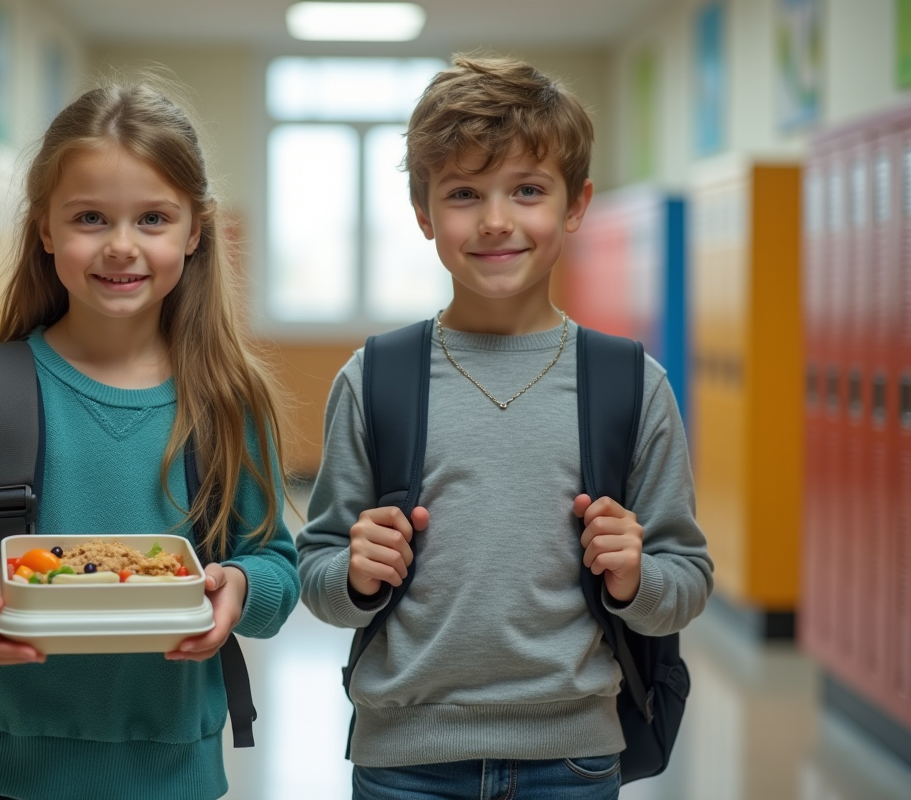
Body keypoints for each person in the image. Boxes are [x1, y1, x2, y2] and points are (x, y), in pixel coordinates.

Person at [297, 54, 713, 800]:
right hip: (404, 763)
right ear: (424, 212)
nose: (496, 220)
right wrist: (355, 575)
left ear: (575, 204)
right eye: (463, 193)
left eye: (527, 190)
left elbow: (685, 581)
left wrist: (635, 577)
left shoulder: (629, 384)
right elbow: (319, 575)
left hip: (575, 760)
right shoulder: (375, 379)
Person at [0, 76, 300, 800]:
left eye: (152, 219)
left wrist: (235, 587)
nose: (120, 246)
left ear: (196, 231)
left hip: (171, 769)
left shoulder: (230, 402)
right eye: (89, 218)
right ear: (45, 228)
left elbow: (274, 568)